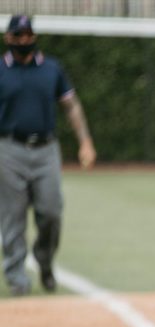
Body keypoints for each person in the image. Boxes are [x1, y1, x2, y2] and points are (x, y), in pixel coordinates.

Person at [0, 14, 96, 296]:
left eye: (28, 35)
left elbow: (71, 105)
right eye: (19, 35)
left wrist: (85, 141)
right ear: (9, 38)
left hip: (45, 150)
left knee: (51, 212)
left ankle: (44, 261)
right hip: (9, 149)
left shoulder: (51, 69)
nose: (24, 40)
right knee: (12, 217)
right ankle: (17, 276)